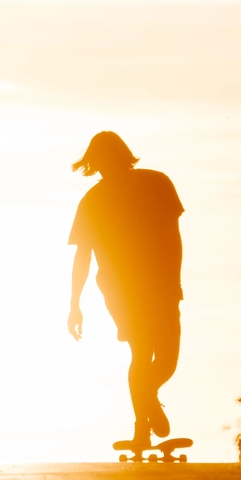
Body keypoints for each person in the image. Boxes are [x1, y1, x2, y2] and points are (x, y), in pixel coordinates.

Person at [67, 131, 184, 446]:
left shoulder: (157, 183)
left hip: (161, 285)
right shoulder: (91, 201)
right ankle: (141, 430)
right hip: (121, 290)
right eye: (98, 163)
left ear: (122, 156)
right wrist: (74, 305)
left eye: (109, 160)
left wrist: (174, 280)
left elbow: (174, 236)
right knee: (142, 351)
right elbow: (83, 256)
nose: (105, 168)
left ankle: (147, 396)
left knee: (169, 359)